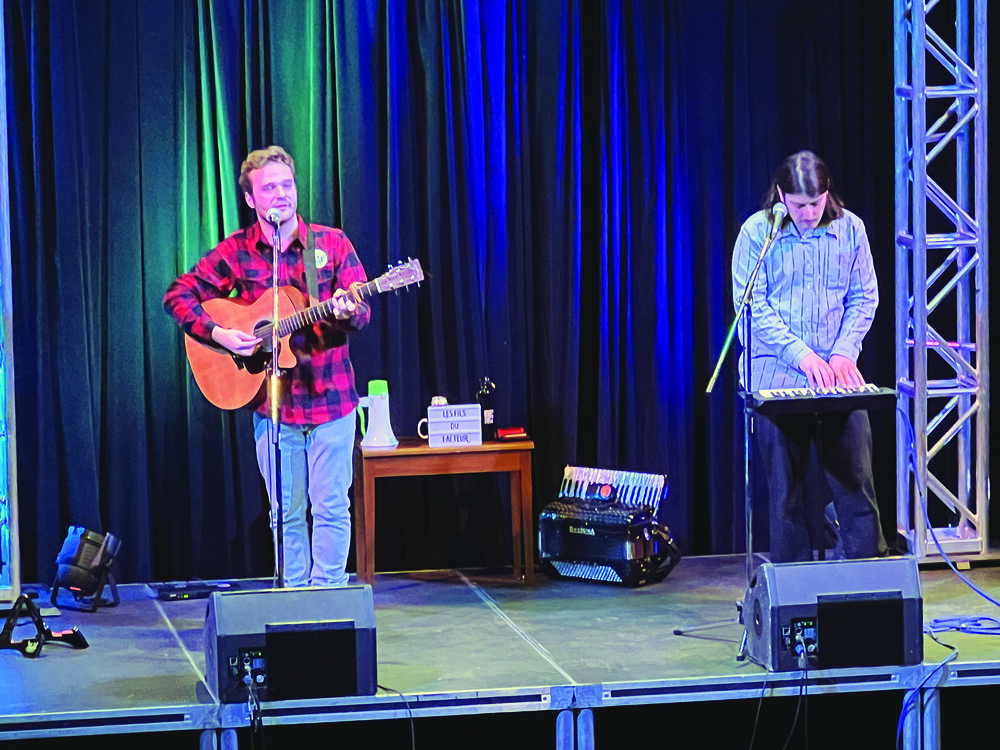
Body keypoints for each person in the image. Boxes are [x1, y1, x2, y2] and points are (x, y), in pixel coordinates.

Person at [164, 145, 370, 586]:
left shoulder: (330, 244)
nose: (281, 195)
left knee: (332, 507)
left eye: (287, 185)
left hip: (332, 402)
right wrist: (220, 334)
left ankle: (328, 599)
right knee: (286, 514)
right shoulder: (239, 252)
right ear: (251, 199)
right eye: (269, 188)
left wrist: (349, 309)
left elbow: (361, 314)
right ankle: (295, 601)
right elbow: (178, 295)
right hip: (274, 408)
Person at [731, 150, 887, 562]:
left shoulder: (851, 229)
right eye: (798, 205)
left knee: (857, 484)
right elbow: (752, 306)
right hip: (776, 376)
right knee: (787, 495)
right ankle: (796, 593)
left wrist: (842, 352)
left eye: (815, 204)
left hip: (836, 378)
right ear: (781, 195)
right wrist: (803, 357)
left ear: (826, 193)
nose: (808, 213)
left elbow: (864, 297)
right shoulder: (757, 233)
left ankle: (865, 582)